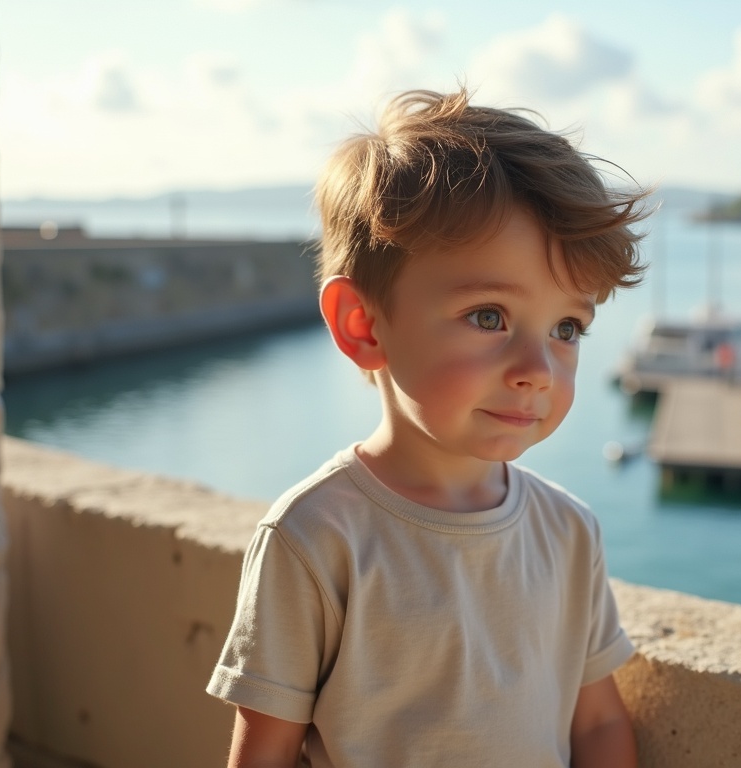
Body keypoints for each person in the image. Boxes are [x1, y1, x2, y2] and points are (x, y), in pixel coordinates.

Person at [207, 88, 651, 768]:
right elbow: (264, 751)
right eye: (488, 316)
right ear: (363, 324)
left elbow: (595, 726)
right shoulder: (316, 538)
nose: (537, 368)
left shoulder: (568, 534)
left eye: (567, 328)